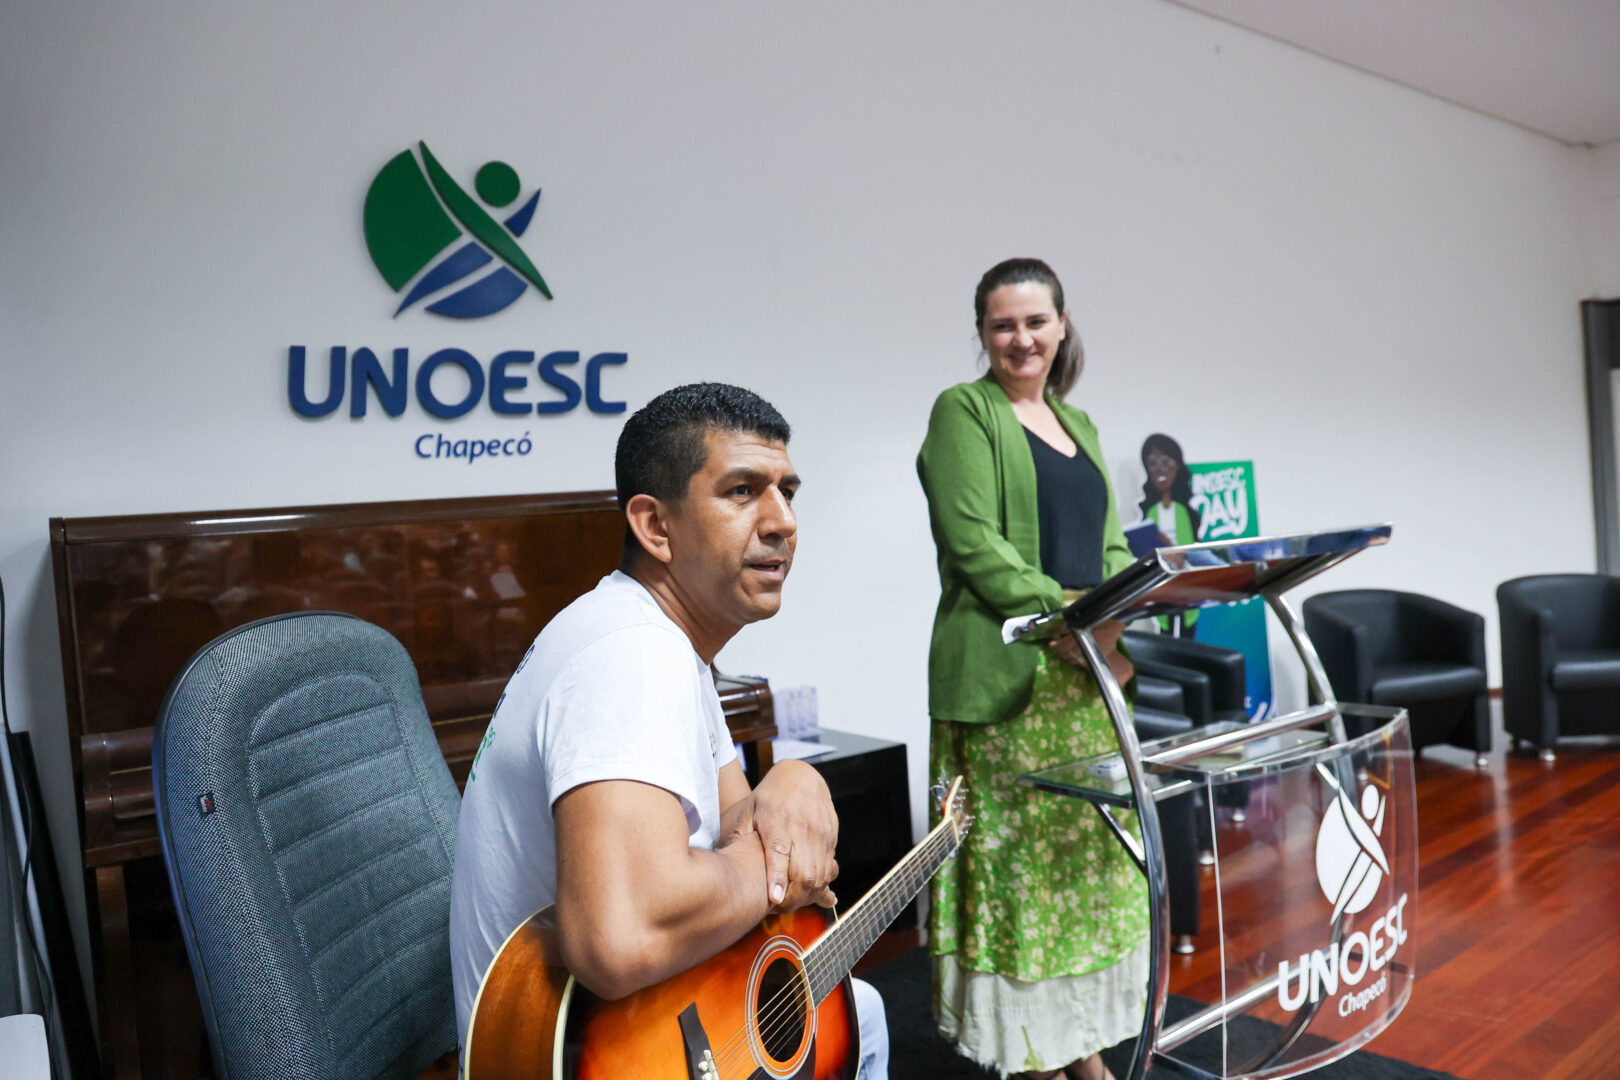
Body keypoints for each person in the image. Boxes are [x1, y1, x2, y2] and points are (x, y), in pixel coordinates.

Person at [449, 382, 888, 1078]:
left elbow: (736, 823)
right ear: (655, 526)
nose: (783, 522)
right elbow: (620, 938)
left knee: (861, 1009)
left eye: (787, 492)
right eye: (742, 491)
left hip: (645, 1022)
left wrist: (793, 780)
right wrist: (775, 876)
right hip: (571, 1053)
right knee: (864, 1016)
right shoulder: (630, 655)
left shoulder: (669, 644)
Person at [917, 259, 1148, 1080]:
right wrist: (1066, 623)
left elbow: (1112, 547)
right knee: (1022, 883)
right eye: (1003, 324)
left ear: (1062, 324)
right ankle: (1032, 1059)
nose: (1022, 338)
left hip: (1087, 676)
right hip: (1011, 674)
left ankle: (1082, 1050)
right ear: (983, 333)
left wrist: (1112, 625)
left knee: (1084, 875)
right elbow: (974, 543)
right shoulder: (963, 411)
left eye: (1036, 321)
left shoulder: (1079, 423)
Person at [1137, 432, 1201, 634]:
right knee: (1165, 635)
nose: (1160, 471)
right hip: (1161, 586)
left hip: (1186, 585)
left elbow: (1190, 551)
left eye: (1166, 463)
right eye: (1153, 464)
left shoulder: (1183, 512)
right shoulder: (1151, 512)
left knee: (1186, 635)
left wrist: (1170, 548)